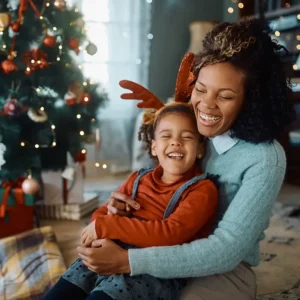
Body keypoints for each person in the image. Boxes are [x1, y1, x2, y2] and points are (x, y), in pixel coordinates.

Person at [75, 17, 295, 300]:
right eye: (200, 89)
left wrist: (127, 262)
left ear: (250, 101)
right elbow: (160, 190)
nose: (205, 104)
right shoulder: (190, 130)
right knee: (85, 278)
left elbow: (225, 250)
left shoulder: (265, 158)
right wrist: (120, 207)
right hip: (156, 246)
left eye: (225, 97)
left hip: (220, 268)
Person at [44, 75, 219, 299]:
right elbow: (101, 217)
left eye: (187, 137)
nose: (176, 142)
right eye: (166, 136)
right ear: (154, 147)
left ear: (200, 150)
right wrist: (102, 228)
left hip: (149, 273)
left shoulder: (202, 189)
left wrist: (108, 225)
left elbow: (170, 234)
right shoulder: (138, 178)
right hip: (108, 253)